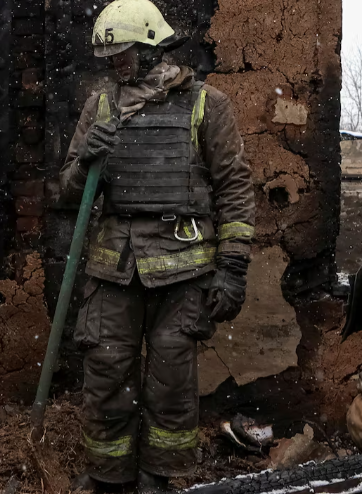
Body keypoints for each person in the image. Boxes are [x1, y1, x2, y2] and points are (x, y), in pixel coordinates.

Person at [60, 0, 255, 492]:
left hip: (183, 269)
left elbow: (234, 188)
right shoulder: (100, 107)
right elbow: (67, 194)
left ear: (151, 46)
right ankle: (108, 474)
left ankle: (158, 476)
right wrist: (85, 163)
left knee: (171, 382)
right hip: (113, 268)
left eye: (123, 53)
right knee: (106, 374)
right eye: (109, 57)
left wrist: (232, 267)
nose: (115, 64)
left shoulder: (207, 105)